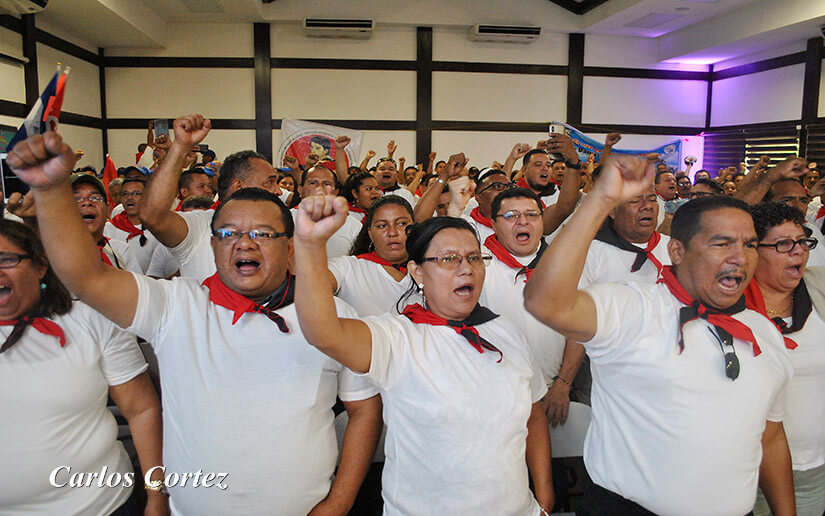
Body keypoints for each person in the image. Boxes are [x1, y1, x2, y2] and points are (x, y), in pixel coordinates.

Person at [7, 131, 382, 515]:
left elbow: (364, 410)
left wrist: (339, 502)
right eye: (229, 234)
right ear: (213, 245)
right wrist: (51, 188)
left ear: (289, 246)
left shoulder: (333, 317)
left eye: (263, 234)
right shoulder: (176, 306)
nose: (245, 243)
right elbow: (85, 276)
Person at [524, 154, 795, 515]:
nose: (740, 258)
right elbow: (545, 301)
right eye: (721, 243)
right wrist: (601, 199)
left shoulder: (763, 333)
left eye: (748, 244)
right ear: (677, 250)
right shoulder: (634, 307)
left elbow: (771, 437)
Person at [294, 199, 554, 515]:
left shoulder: (506, 332)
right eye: (448, 259)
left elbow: (534, 414)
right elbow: (323, 332)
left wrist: (544, 499)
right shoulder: (397, 336)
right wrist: (309, 245)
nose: (466, 268)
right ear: (417, 271)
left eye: (474, 257)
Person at [0, 219, 166, 515]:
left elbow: (142, 409)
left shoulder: (92, 320)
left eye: (6, 260)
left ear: (41, 266)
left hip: (103, 504)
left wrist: (156, 495)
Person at [746, 202, 825, 516]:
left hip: (812, 469)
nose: (798, 252)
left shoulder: (820, 289)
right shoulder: (728, 303)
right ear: (753, 250)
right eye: (783, 244)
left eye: (803, 242)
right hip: (742, 470)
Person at [139, 114, 281, 281]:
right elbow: (152, 216)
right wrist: (179, 147)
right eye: (269, 183)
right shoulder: (199, 227)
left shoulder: (287, 223)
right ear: (239, 187)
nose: (278, 191)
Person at [479, 187, 570, 426]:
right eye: (510, 216)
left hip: (553, 394)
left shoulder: (564, 264)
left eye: (532, 215)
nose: (523, 222)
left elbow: (579, 332)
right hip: (493, 397)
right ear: (493, 224)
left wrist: (563, 383)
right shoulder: (477, 265)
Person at [327, 196, 416, 316]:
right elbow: (314, 287)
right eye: (382, 226)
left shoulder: (430, 269)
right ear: (371, 234)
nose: (392, 233)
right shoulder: (348, 267)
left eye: (401, 224)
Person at [105, 178, 164, 274]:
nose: (129, 198)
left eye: (136, 193)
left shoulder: (158, 227)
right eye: (125, 194)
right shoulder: (109, 228)